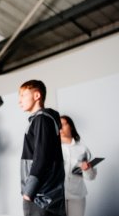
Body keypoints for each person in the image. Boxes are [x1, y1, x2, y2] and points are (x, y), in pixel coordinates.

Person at [18, 80, 65, 216]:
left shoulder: (42, 119)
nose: (19, 101)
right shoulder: (42, 120)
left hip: (41, 195)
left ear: (37, 95)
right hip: (44, 193)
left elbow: (41, 158)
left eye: (23, 95)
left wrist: (28, 192)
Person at [60, 115, 96, 216]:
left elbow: (91, 177)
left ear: (70, 126)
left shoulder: (83, 148)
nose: (60, 127)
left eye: (63, 124)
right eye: (58, 125)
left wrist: (87, 169)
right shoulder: (52, 148)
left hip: (77, 196)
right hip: (57, 196)